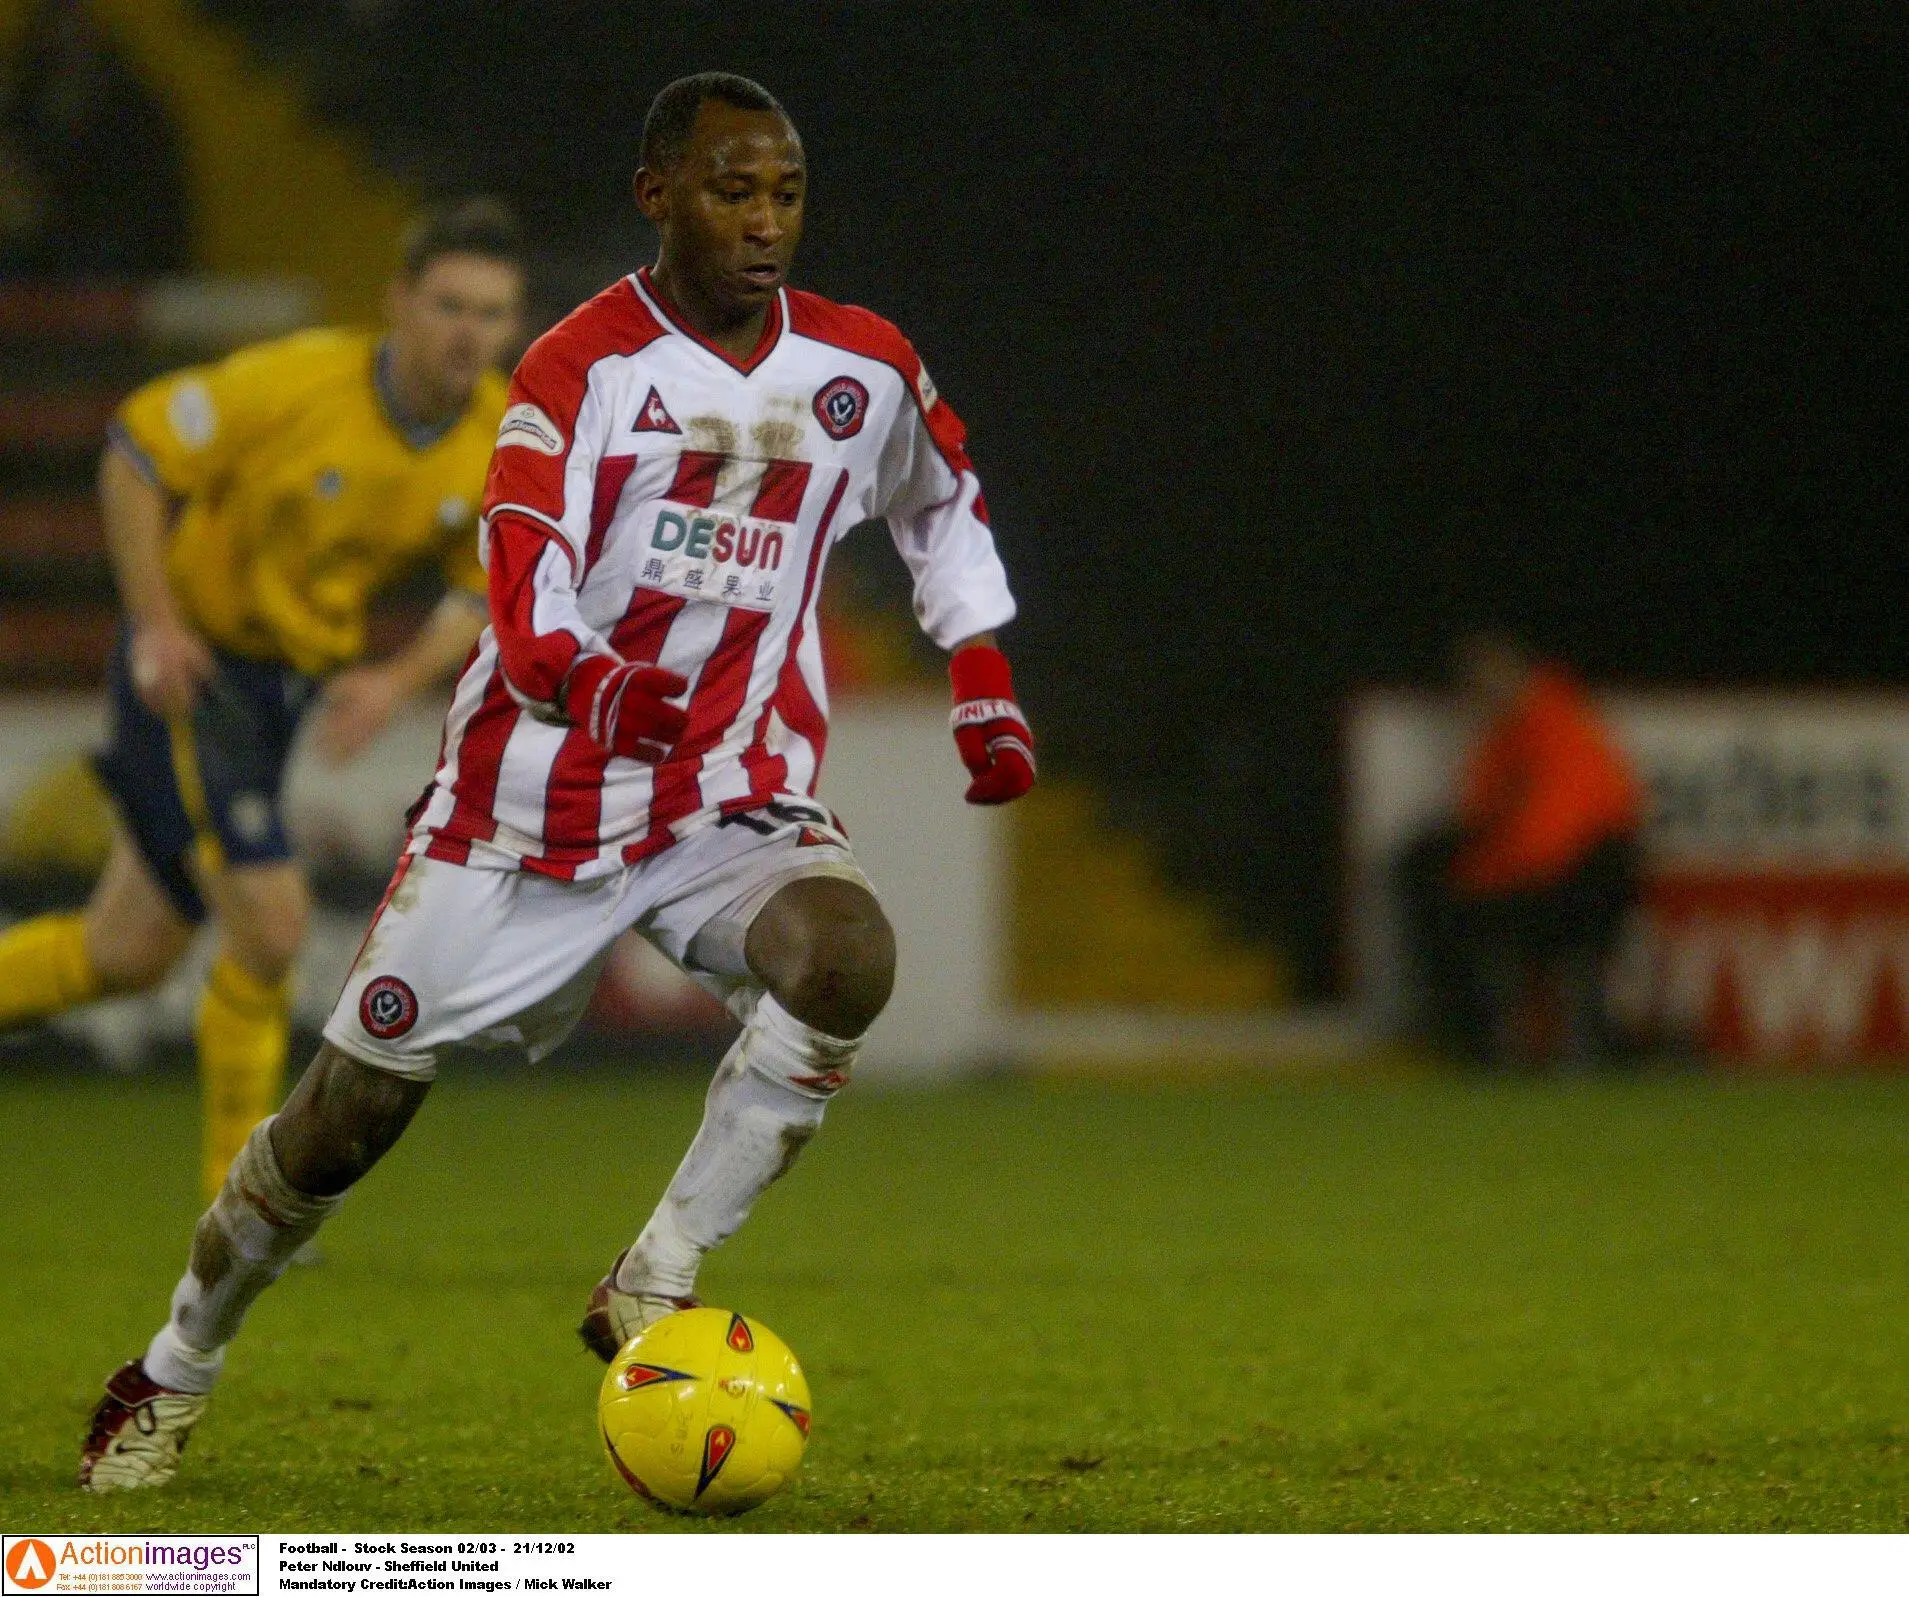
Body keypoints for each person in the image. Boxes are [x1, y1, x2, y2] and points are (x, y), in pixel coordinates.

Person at [76, 72, 1036, 1491]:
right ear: (658, 197)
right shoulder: (577, 370)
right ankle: (175, 1364)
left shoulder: (862, 368)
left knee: (844, 956)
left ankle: (654, 1275)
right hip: (526, 805)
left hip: (725, 792)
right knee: (344, 1118)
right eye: (731, 190)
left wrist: (982, 672)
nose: (765, 222)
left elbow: (940, 501)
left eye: (784, 193)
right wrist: (595, 683)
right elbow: (520, 596)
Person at [0, 199, 525, 1207]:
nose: (469, 330)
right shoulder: (298, 382)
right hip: (196, 669)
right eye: (450, 304)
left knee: (127, 952)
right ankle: (238, 1196)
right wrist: (155, 622)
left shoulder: (497, 435)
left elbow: (482, 582)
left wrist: (393, 678)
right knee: (276, 925)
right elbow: (135, 453)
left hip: (286, 688)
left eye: (492, 312)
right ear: (400, 305)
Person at [1398, 632, 1643, 1071]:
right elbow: (1480, 815)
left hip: (1583, 882)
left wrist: (1473, 879)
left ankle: (1498, 1043)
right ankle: (1479, 1038)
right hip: (1538, 878)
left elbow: (1549, 839)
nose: (1481, 693)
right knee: (1424, 865)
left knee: (1455, 901)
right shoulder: (1500, 738)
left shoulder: (1556, 723)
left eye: (1488, 678)